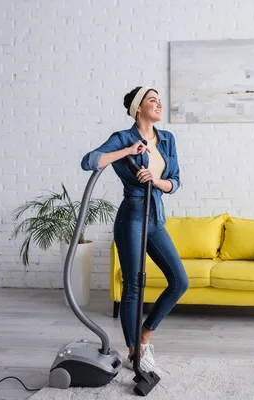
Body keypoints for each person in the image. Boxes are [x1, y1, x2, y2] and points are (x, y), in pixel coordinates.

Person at [80, 86, 189, 372]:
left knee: (179, 281)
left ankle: (144, 337)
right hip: (132, 216)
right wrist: (127, 151)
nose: (158, 104)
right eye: (152, 100)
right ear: (138, 108)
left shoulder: (166, 139)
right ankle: (134, 353)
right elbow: (89, 161)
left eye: (159, 100)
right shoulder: (123, 138)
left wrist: (156, 179)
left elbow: (175, 181)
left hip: (156, 218)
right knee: (133, 286)